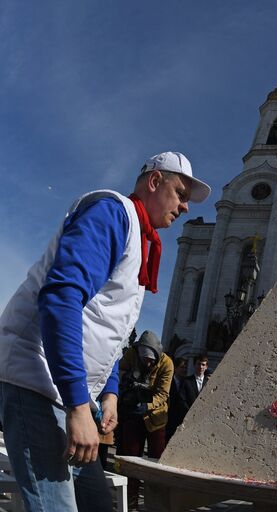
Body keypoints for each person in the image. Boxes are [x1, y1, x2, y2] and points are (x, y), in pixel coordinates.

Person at [0, 151, 209, 511]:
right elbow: (61, 297)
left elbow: (110, 331)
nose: (185, 207)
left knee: (98, 502)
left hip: (60, 391)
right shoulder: (113, 213)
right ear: (155, 181)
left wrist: (109, 392)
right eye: (181, 193)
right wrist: (79, 404)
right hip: (35, 381)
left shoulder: (137, 239)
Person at [117, 330, 172, 506]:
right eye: (144, 359)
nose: (147, 362)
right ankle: (130, 501)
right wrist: (128, 380)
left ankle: (156, 502)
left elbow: (163, 394)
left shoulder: (167, 363)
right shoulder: (132, 354)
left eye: (151, 359)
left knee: (157, 461)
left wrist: (146, 405)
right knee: (131, 459)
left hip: (156, 418)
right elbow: (119, 370)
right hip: (132, 413)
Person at [166, 356, 189, 441]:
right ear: (175, 368)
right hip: (169, 418)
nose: (184, 370)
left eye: (185, 368)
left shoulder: (187, 383)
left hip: (180, 419)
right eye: (182, 367)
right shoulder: (169, 382)